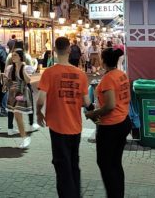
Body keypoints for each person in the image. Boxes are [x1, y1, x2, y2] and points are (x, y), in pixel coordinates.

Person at [36, 37, 90, 198]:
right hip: (75, 126)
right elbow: (87, 102)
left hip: (57, 126)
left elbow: (40, 99)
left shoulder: (49, 73)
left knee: (61, 165)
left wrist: (39, 113)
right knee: (74, 164)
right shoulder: (80, 74)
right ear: (68, 50)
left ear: (54, 50)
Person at [85, 47, 131, 198]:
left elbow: (110, 105)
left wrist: (93, 113)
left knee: (105, 164)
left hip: (111, 127)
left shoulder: (108, 79)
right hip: (123, 121)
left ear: (103, 61)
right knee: (115, 163)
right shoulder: (121, 75)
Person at [5, 48, 33, 148]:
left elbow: (28, 81)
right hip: (13, 93)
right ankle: (24, 137)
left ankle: (25, 138)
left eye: (15, 55)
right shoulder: (10, 68)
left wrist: (22, 68)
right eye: (12, 55)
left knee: (17, 113)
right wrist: (5, 83)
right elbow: (8, 81)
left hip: (22, 92)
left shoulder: (25, 67)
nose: (13, 57)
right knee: (17, 116)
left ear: (21, 57)